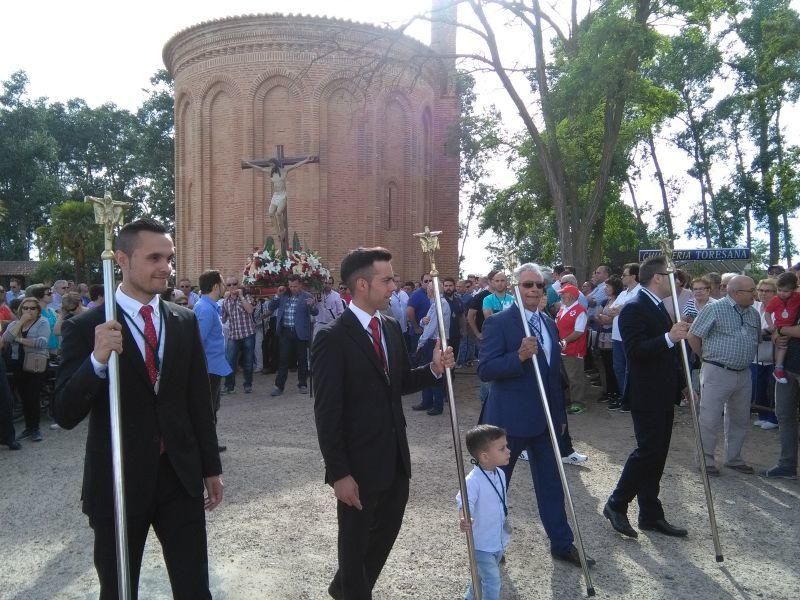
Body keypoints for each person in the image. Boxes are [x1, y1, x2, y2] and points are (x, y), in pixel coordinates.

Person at [53, 218, 222, 599]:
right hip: (118, 479)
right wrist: (96, 361)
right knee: (118, 588)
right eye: (155, 258)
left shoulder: (184, 321)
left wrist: (211, 467)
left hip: (178, 476)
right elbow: (64, 412)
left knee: (195, 587)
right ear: (122, 260)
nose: (167, 267)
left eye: (170, 257)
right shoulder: (88, 326)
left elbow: (198, 403)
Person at [312, 246, 453, 599]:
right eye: (387, 279)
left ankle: (344, 588)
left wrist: (434, 369)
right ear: (362, 284)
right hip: (357, 465)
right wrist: (339, 472)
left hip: (394, 459)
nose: (394, 286)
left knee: (385, 533)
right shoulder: (332, 338)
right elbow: (327, 413)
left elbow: (400, 382)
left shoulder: (389, 327)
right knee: (355, 541)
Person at [478, 262, 594, 568]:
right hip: (508, 423)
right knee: (497, 487)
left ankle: (562, 543)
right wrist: (517, 356)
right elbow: (485, 369)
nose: (533, 290)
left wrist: (559, 415)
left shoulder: (549, 322)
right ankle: (492, 547)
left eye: (539, 285)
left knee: (552, 485)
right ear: (516, 287)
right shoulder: (499, 323)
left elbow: (554, 374)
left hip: (545, 421)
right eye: (527, 285)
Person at [603, 256, 690, 539]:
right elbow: (636, 351)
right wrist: (669, 337)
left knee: (659, 454)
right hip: (646, 393)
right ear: (657, 278)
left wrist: (683, 383)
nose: (676, 282)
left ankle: (650, 513)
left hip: (664, 391)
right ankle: (617, 503)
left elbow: (669, 354)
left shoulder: (658, 307)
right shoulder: (634, 308)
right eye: (671, 276)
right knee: (648, 451)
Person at [688, 275, 761, 475]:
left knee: (740, 418)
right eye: (751, 290)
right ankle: (706, 461)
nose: (755, 294)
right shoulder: (714, 308)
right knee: (710, 418)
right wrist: (704, 358)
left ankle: (734, 458)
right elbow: (693, 334)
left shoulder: (753, 314)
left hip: (743, 373)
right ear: (735, 292)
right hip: (717, 371)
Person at [457, 425, 511, 600]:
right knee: (492, 580)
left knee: (480, 576)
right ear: (485, 456)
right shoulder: (473, 481)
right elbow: (464, 501)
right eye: (502, 449)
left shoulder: (501, 474)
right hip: (481, 544)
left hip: (497, 540)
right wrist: (465, 517)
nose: (508, 451)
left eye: (506, 446)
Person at [2, 297, 50, 442]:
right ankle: (28, 428)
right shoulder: (15, 324)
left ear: (38, 310)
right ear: (20, 309)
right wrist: (21, 322)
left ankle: (35, 429)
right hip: (18, 364)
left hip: (36, 364)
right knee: (23, 397)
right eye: (25, 308)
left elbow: (41, 342)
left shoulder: (43, 322)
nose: (29, 311)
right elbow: (7, 338)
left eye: (32, 308)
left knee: (33, 397)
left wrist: (20, 340)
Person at [195, 270, 233, 453]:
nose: (225, 287)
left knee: (212, 407)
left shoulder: (208, 306)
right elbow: (198, 340)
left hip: (214, 365)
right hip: (208, 367)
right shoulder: (204, 308)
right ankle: (206, 444)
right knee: (208, 408)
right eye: (223, 283)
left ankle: (209, 442)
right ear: (216, 286)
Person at [763, 306, 800, 479]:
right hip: (788, 367)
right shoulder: (793, 299)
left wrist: (780, 329)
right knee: (784, 415)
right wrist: (776, 335)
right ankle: (787, 465)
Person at [268, 275, 318, 396]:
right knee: (283, 359)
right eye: (290, 286)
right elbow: (271, 307)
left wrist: (312, 305)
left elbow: (315, 312)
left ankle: (302, 384)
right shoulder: (283, 295)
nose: (292, 288)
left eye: (295, 286)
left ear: (300, 285)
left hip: (300, 332)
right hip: (285, 331)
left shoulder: (307, 296)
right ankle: (279, 386)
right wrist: (277, 295)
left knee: (302, 359)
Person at [411, 279, 451, 416]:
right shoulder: (434, 304)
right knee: (427, 371)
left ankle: (437, 404)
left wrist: (420, 342)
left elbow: (431, 327)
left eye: (428, 289)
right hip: (433, 341)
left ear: (432, 290)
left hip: (434, 342)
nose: (426, 291)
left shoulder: (439, 304)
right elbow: (425, 322)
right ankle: (427, 401)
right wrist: (422, 321)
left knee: (435, 372)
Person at [556, 284, 588, 415]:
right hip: (562, 349)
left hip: (574, 350)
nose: (562, 295)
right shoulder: (563, 309)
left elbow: (579, 331)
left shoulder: (580, 311)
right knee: (566, 377)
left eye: (564, 293)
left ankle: (578, 402)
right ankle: (570, 399)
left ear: (572, 296)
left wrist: (564, 341)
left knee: (575, 377)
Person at [222, 277, 256, 394]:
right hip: (233, 335)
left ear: (238, 285)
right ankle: (229, 386)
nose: (232, 287)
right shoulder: (226, 301)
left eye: (234, 284)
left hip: (247, 333)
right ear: (227, 287)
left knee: (248, 360)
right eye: (229, 285)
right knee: (230, 360)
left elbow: (250, 310)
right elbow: (223, 318)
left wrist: (241, 296)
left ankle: (248, 384)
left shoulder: (246, 297)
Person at [764, 272, 800, 384]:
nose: (781, 293)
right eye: (779, 290)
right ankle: (778, 368)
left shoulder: (797, 298)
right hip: (781, 327)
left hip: (791, 327)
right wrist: (771, 326)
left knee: (783, 345)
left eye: (785, 291)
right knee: (782, 346)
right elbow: (767, 313)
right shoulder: (775, 300)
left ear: (794, 289)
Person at [752, 279, 779, 429]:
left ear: (775, 293)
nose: (763, 293)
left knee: (772, 386)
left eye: (767, 290)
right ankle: (763, 415)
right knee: (758, 386)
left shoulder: (778, 309)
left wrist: (764, 332)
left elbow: (775, 327)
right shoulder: (754, 306)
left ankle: (773, 417)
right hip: (756, 355)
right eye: (761, 290)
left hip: (773, 356)